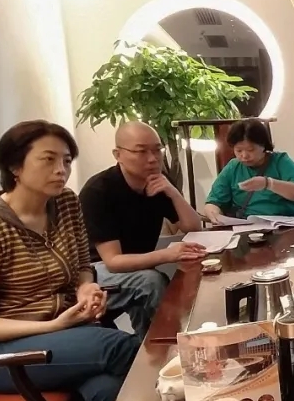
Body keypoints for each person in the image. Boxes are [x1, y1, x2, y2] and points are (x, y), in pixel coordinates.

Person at [0, 121, 139, 401]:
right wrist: (53, 326)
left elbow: (83, 265)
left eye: (66, 160)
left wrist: (86, 289)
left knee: (109, 390)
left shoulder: (65, 203)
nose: (60, 170)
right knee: (121, 347)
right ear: (14, 166)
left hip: (61, 336)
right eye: (48, 159)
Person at [79, 121, 205, 339]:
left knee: (187, 269)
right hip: (93, 272)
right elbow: (113, 262)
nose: (152, 158)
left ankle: (148, 347)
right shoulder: (98, 191)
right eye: (141, 151)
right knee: (150, 282)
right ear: (118, 154)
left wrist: (173, 192)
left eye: (157, 150)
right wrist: (167, 254)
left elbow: (193, 226)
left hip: (135, 265)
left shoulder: (158, 183)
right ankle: (172, 345)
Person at [204, 119, 294, 222]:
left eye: (250, 150)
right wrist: (214, 214)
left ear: (263, 146)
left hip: (287, 225)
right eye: (239, 150)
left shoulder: (280, 161)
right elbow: (213, 202)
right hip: (247, 226)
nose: (244, 155)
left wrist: (268, 183)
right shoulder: (233, 167)